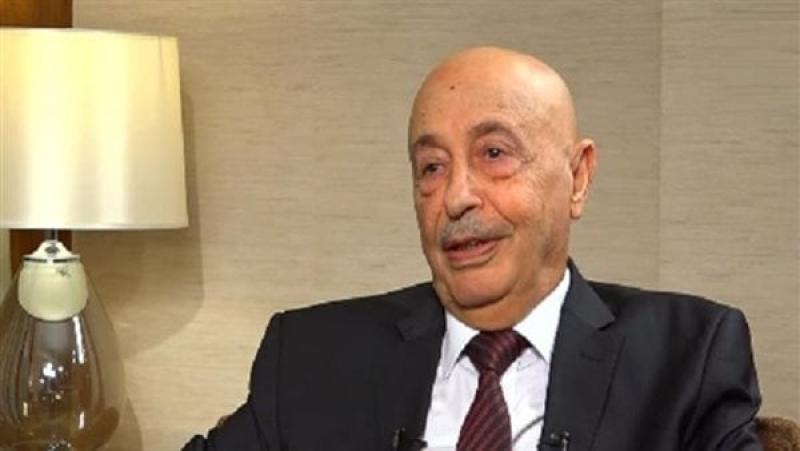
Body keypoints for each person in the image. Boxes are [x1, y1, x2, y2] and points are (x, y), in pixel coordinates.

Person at [183, 47, 762, 450]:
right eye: (432, 167)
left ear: (578, 177)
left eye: (494, 154)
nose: (457, 197)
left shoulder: (688, 355)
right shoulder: (311, 356)